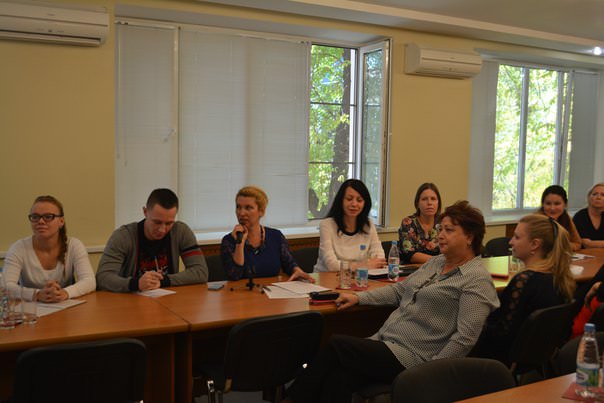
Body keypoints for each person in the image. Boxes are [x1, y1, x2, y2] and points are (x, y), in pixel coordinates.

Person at [285, 201, 499, 403]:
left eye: (449, 230)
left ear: (469, 237)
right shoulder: (436, 263)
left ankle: (290, 400)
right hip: (387, 342)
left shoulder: (476, 279)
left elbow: (465, 338)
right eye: (440, 229)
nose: (440, 235)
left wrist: (431, 372)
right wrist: (359, 297)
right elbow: (399, 290)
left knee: (336, 345)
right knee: (339, 378)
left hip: (414, 358)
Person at [474, 214, 575, 364]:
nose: (510, 242)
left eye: (516, 237)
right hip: (536, 359)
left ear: (534, 244)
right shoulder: (559, 277)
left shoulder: (524, 281)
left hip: (501, 360)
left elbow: (502, 333)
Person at [96, 188, 208, 292]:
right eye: (157, 222)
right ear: (145, 212)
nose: (162, 230)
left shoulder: (181, 232)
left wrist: (164, 281)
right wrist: (136, 284)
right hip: (130, 300)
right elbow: (103, 277)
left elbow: (200, 272)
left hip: (167, 299)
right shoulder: (123, 236)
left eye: (169, 223)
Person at [3, 195, 96, 302]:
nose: (41, 221)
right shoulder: (18, 248)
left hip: (65, 306)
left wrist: (65, 293)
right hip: (31, 309)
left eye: (48, 217)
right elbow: (4, 286)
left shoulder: (74, 245)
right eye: (35, 217)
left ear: (61, 221)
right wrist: (37, 294)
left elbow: (89, 281)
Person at [221, 186, 313, 281]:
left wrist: (296, 270)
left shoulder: (276, 236)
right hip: (242, 290)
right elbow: (235, 276)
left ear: (261, 211)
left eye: (248, 208)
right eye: (238, 207)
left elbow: (289, 264)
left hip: (271, 288)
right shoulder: (228, 241)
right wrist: (239, 244)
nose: (241, 213)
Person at [313, 179, 386, 272]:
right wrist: (365, 265)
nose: (354, 204)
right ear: (341, 201)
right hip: (327, 278)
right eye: (349, 199)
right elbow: (332, 265)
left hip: (358, 277)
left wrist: (358, 266)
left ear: (365, 203)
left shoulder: (368, 225)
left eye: (359, 200)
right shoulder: (327, 225)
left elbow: (379, 258)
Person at [398, 182, 441, 264]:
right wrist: (438, 261)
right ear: (417, 203)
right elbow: (409, 254)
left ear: (438, 203)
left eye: (433, 199)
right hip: (412, 269)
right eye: (424, 199)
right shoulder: (408, 222)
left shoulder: (443, 224)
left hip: (439, 269)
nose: (429, 203)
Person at [538, 185, 582, 251]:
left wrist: (563, 247)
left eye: (557, 204)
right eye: (548, 203)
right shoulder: (536, 220)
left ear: (565, 204)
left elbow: (577, 243)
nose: (552, 208)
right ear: (542, 204)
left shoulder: (566, 217)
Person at [573, 183, 604, 248]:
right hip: (583, 253)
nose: (598, 197)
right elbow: (586, 244)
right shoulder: (580, 216)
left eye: (603, 195)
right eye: (594, 194)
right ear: (589, 197)